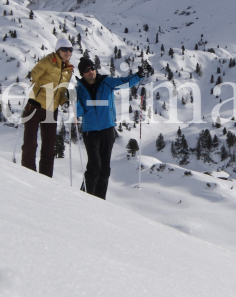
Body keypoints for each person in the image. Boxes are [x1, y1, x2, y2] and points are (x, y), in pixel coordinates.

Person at [74, 56, 145, 199]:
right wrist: (71, 102)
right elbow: (79, 112)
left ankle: (100, 200)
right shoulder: (79, 90)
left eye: (92, 68)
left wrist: (139, 75)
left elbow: (124, 82)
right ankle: (83, 198)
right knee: (94, 166)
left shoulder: (106, 82)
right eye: (87, 70)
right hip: (90, 132)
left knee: (104, 169)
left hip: (107, 130)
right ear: (82, 73)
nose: (91, 71)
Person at [21, 37, 74, 177]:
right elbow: (34, 74)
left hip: (51, 110)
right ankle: (28, 175)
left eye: (70, 50)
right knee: (30, 145)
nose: (68, 52)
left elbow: (61, 92)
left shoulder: (68, 70)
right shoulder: (48, 61)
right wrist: (28, 80)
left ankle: (45, 179)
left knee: (49, 148)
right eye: (65, 49)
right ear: (58, 50)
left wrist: (64, 102)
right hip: (35, 106)